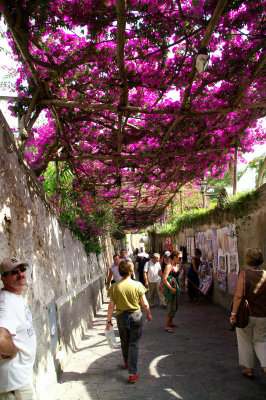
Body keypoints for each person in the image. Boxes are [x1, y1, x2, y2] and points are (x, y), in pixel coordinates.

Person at [106, 259, 152, 383]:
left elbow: (111, 306)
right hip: (136, 315)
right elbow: (145, 304)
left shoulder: (114, 287)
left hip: (121, 316)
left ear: (120, 272)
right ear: (131, 271)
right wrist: (148, 314)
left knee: (124, 341)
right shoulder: (137, 285)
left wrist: (108, 321)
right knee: (134, 343)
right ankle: (132, 373)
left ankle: (126, 362)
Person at [0, 257, 37, 400]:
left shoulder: (13, 297)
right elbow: (1, 338)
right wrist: (12, 349)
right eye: (14, 272)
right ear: (4, 278)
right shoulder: (6, 303)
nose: (21, 274)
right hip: (14, 384)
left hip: (20, 378)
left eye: (22, 269)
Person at [230, 248, 266, 378]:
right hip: (262, 314)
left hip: (246, 314)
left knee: (245, 341)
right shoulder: (265, 274)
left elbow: (239, 296)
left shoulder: (245, 274)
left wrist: (233, 314)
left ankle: (249, 368)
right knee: (261, 341)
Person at [162, 251, 182, 333]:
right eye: (179, 257)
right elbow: (164, 280)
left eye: (181, 258)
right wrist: (171, 288)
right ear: (174, 257)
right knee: (170, 307)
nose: (180, 259)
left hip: (175, 289)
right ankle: (167, 326)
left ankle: (171, 322)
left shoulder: (177, 266)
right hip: (170, 290)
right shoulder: (169, 267)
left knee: (175, 306)